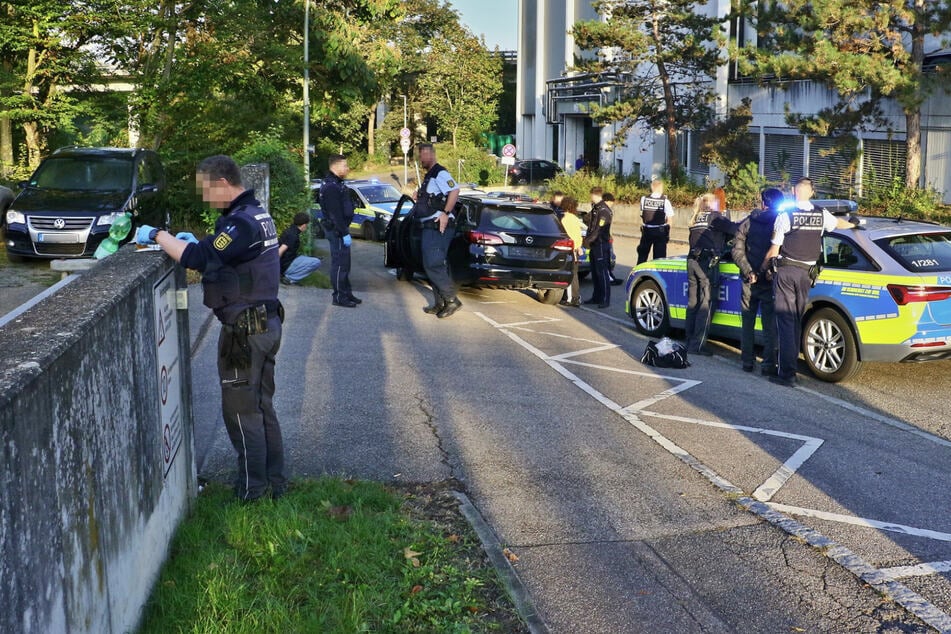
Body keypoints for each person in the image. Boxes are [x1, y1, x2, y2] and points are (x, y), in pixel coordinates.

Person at [135, 154, 286, 502]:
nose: (205, 197)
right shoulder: (256, 215)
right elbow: (219, 253)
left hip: (245, 332)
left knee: (241, 413)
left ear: (221, 183)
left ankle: (252, 493)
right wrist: (194, 242)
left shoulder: (241, 223)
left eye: (206, 190)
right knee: (261, 407)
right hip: (265, 323)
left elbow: (200, 259)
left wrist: (158, 235)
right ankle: (275, 485)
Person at [765, 176, 861, 387]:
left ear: (793, 191)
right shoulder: (821, 214)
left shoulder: (785, 215)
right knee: (796, 319)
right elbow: (840, 224)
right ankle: (791, 366)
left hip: (787, 272)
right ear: (812, 193)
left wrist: (763, 269)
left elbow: (774, 248)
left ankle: (786, 374)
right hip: (806, 274)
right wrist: (856, 222)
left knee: (785, 322)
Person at [732, 188, 784, 375]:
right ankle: (768, 366)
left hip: (749, 279)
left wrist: (749, 271)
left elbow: (737, 250)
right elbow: (782, 252)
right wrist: (769, 271)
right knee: (770, 326)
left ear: (763, 203)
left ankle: (747, 361)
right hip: (770, 280)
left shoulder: (748, 222)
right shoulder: (782, 223)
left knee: (748, 322)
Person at [684, 192, 736, 355]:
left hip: (692, 261)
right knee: (706, 304)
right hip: (707, 263)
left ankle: (689, 340)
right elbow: (736, 229)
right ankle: (697, 345)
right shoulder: (715, 217)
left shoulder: (696, 216)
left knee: (693, 303)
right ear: (713, 204)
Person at [415, 143, 462, 318]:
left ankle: (451, 300)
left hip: (438, 227)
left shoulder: (440, 173)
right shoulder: (430, 176)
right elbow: (431, 198)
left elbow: (454, 190)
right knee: (430, 264)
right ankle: (440, 303)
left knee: (433, 264)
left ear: (431, 154)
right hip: (429, 227)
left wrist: (445, 213)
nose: (421, 159)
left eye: (423, 155)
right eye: (420, 155)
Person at [321, 154, 361, 308]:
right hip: (337, 230)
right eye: (345, 165)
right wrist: (344, 233)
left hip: (341, 229)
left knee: (345, 264)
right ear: (336, 167)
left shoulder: (337, 183)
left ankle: (346, 292)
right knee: (339, 264)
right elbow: (334, 214)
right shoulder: (331, 186)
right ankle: (338, 296)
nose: (347, 168)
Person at [582, 186, 613, 308]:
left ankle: (605, 299)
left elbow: (598, 230)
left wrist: (587, 241)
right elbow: (588, 222)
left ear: (594, 195)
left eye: (591, 196)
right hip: (595, 244)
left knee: (602, 272)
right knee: (595, 272)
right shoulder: (596, 208)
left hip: (600, 244)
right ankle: (596, 297)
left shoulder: (604, 210)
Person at [636, 179, 675, 265]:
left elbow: (642, 214)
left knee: (642, 257)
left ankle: (638, 275)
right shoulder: (665, 201)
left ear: (652, 187)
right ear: (661, 188)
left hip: (646, 231)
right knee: (659, 259)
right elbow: (670, 220)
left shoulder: (644, 199)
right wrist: (667, 233)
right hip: (660, 232)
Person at [278, 212, 321, 285]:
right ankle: (289, 278)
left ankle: (288, 276)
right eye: (307, 225)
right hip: (286, 264)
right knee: (316, 262)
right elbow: (280, 250)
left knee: (306, 258)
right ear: (304, 225)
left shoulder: (290, 230)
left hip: (287, 261)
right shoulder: (293, 235)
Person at [559, 196, 583, 307]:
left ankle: (570, 298)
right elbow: (578, 236)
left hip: (569, 250)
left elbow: (566, 236)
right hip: (576, 250)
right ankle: (576, 297)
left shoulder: (564, 219)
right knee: (575, 275)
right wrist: (579, 247)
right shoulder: (575, 219)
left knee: (570, 275)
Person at [602, 193, 624, 286]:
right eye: (611, 202)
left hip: (607, 238)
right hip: (603, 239)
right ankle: (609, 278)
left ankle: (610, 276)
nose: (612, 204)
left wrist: (610, 235)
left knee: (608, 259)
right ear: (607, 201)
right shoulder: (603, 210)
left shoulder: (607, 210)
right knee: (605, 259)